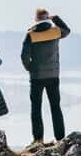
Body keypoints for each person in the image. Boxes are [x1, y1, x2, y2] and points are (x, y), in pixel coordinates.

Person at [21, 8, 70, 146]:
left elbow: (24, 56)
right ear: (47, 18)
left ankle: (38, 139)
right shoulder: (55, 32)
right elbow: (67, 30)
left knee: (36, 108)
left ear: (35, 19)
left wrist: (30, 68)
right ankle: (60, 138)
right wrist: (55, 18)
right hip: (53, 75)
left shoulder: (31, 35)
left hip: (36, 76)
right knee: (55, 107)